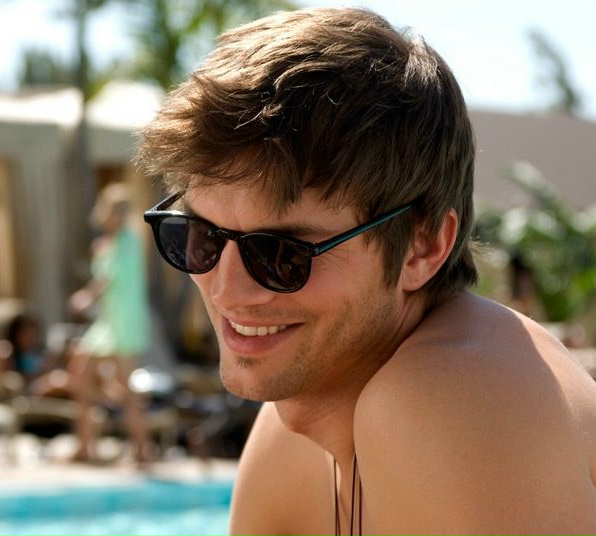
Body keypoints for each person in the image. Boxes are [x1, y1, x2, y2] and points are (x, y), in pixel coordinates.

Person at [137, 7, 596, 535]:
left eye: (282, 253)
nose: (227, 289)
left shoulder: (454, 398)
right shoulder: (291, 434)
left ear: (422, 248)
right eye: (202, 238)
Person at [67, 182, 153, 464]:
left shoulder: (129, 241)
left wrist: (86, 297)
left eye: (121, 209)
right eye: (113, 208)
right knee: (80, 377)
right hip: (106, 323)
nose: (115, 214)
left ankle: (142, 451)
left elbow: (108, 279)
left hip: (125, 324)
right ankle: (85, 447)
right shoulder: (106, 244)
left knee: (127, 390)